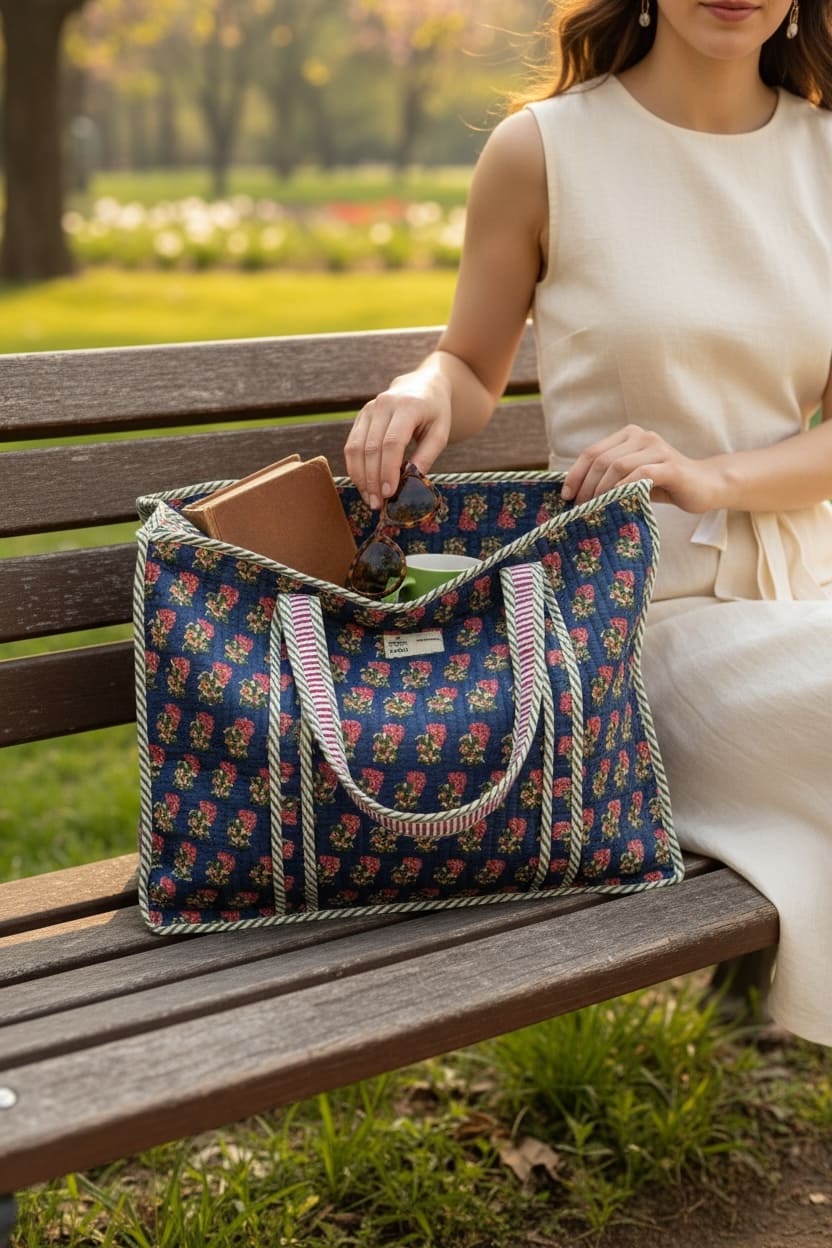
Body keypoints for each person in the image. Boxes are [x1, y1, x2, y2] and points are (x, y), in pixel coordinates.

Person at [344, 0, 832, 1046]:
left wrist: (709, 474)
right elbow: (471, 363)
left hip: (809, 591)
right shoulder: (544, 150)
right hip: (634, 622)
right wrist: (423, 390)